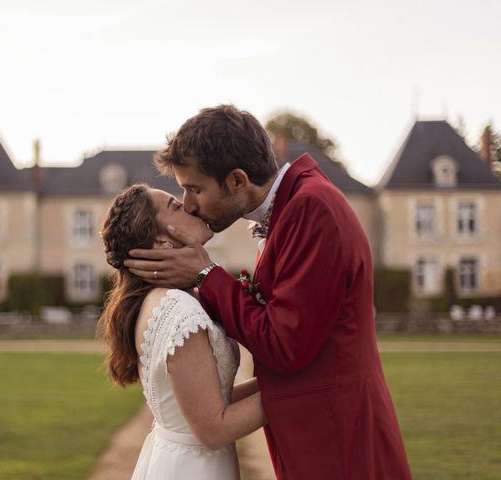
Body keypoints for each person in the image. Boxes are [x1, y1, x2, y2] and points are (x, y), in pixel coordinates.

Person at [124, 105, 413, 480]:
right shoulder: (291, 209)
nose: (190, 204)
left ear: (238, 181)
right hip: (316, 429)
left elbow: (283, 344)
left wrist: (207, 274)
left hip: (338, 436)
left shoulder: (312, 208)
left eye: (195, 189)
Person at [99, 183, 266, 480]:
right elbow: (214, 429)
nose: (190, 206)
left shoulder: (161, 300)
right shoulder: (176, 308)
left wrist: (275, 382)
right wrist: (299, 389)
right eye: (176, 206)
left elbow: (211, 399)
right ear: (162, 241)